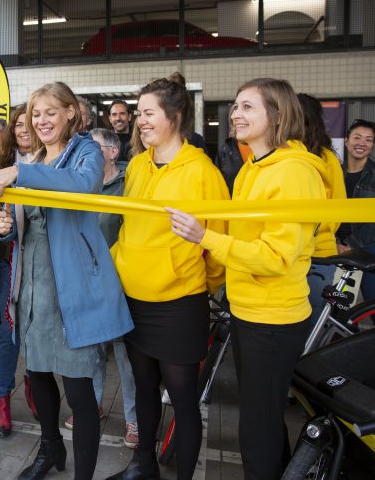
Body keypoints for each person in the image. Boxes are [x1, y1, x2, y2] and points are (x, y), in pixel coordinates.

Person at [168, 78, 328, 480]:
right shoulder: (252, 169)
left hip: (273, 318)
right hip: (249, 310)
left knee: (256, 428)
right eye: (235, 107)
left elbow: (275, 257)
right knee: (264, 420)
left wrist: (205, 238)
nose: (236, 115)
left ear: (277, 114)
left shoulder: (293, 173)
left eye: (247, 107)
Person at [0, 81, 133, 480]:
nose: (41, 120)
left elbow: (84, 185)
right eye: (36, 114)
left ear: (70, 112)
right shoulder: (34, 156)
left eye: (50, 111)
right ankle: (50, 449)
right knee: (36, 374)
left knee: (79, 390)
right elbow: (23, 226)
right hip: (32, 286)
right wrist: (3, 226)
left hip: (72, 289)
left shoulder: (84, 151)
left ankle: (83, 474)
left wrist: (20, 170)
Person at [107, 73, 229, 480]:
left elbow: (218, 242)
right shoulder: (139, 165)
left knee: (182, 399)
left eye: (148, 113)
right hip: (134, 298)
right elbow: (129, 228)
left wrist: (194, 282)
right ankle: (143, 466)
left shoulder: (203, 172)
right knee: (143, 389)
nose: (140, 121)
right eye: (138, 113)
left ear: (174, 116)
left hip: (179, 303)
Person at [62, 127, 138, 448]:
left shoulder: (128, 185)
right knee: (91, 351)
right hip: (85, 280)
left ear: (111, 152)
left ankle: (134, 419)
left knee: (125, 357)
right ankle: (92, 405)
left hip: (121, 281)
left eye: (91, 149)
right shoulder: (81, 184)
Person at [0, 103, 35, 438]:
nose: (25, 129)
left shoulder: (53, 165)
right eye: (18, 124)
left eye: (30, 123)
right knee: (10, 337)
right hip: (8, 262)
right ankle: (2, 398)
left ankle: (35, 389)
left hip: (44, 264)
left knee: (38, 335)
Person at [336, 119, 375, 325]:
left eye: (368, 140)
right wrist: (335, 242)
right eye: (357, 137)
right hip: (336, 250)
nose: (362, 143)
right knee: (339, 313)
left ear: (372, 145)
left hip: (367, 249)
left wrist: (350, 244)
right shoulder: (335, 172)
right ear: (346, 140)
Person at [296, 93, 346, 324]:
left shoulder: (327, 159)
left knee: (311, 324)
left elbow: (337, 209)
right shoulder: (282, 156)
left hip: (318, 256)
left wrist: (307, 230)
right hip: (287, 254)